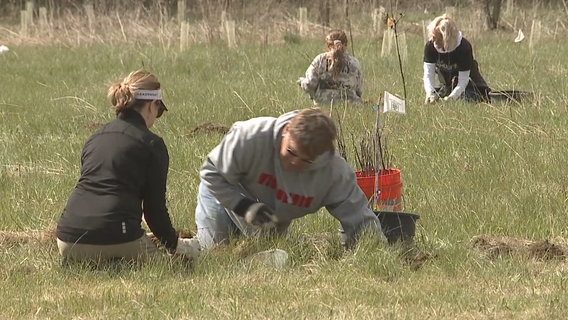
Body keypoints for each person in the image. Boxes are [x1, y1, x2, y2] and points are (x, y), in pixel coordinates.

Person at [56, 70, 199, 264]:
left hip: (67, 238)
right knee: (172, 267)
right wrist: (176, 246)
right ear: (151, 105)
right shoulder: (152, 144)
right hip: (118, 235)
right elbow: (154, 212)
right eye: (159, 111)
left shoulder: (95, 138)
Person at [195, 107, 386, 249]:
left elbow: (360, 220)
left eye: (306, 161)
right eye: (291, 152)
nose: (295, 163)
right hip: (223, 200)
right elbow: (212, 173)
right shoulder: (252, 136)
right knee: (214, 254)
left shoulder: (334, 173)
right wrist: (244, 206)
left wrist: (376, 254)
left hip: (269, 222)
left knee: (266, 264)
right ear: (287, 129)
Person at [423, 15, 491, 104]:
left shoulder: (464, 48)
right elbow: (428, 74)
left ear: (446, 38)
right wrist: (430, 93)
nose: (433, 41)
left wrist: (451, 98)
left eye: (437, 38)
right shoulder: (430, 46)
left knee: (464, 101)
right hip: (447, 87)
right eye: (433, 37)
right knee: (436, 100)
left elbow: (463, 80)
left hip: (470, 86)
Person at [297, 29, 364, 106]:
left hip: (323, 108)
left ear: (328, 46)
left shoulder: (319, 60)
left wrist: (301, 82)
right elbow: (359, 91)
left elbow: (310, 85)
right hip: (351, 107)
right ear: (345, 45)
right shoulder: (355, 62)